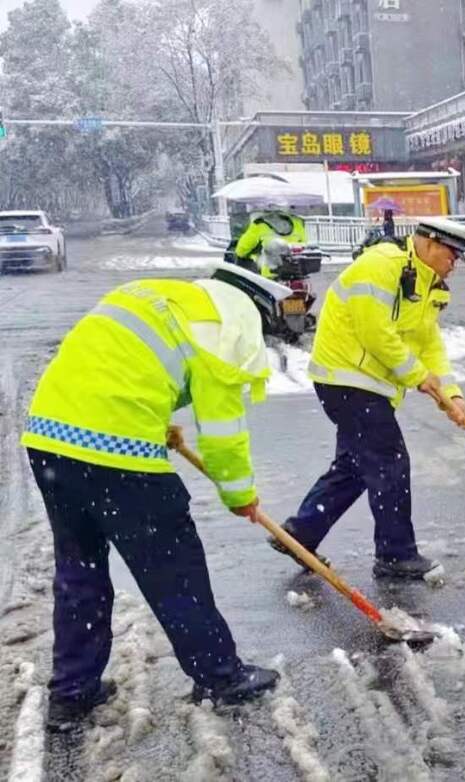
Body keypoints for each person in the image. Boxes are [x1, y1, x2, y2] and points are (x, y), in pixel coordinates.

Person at [22, 278, 280, 731]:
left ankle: (72, 693)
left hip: (50, 437)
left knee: (79, 567)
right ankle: (220, 676)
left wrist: (158, 423)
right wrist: (240, 495)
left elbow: (119, 372)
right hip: (118, 453)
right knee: (173, 568)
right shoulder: (218, 334)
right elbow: (223, 436)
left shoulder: (154, 299)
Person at [270, 217, 465, 579]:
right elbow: (375, 333)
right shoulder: (380, 265)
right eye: (451, 254)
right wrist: (418, 378)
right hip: (346, 377)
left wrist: (452, 394)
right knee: (388, 461)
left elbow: (430, 344)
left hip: (371, 384)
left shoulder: (434, 285)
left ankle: (301, 533)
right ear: (429, 243)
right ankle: (395, 555)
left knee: (354, 466)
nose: (454, 263)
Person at [234, 208, 307, 277]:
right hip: (296, 270)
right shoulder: (297, 222)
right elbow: (304, 245)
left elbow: (241, 250)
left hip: (271, 273)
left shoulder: (259, 224)